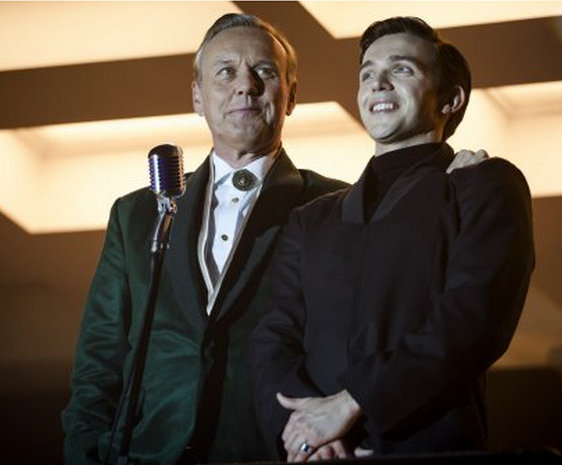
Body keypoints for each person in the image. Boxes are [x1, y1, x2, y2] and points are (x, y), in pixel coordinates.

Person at [61, 13, 349, 465]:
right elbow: (98, 361)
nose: (245, 85)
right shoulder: (135, 214)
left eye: (264, 71)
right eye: (226, 72)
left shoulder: (334, 205)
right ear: (197, 97)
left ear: (291, 95)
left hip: (267, 452)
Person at [249, 16, 534, 461]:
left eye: (401, 69)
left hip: (427, 452)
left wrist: (351, 403)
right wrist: (305, 432)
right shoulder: (311, 219)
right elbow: (272, 338)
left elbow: (473, 319)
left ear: (451, 99)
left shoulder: (484, 185)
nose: (377, 83)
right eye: (367, 74)